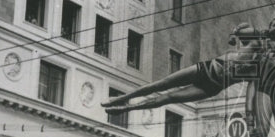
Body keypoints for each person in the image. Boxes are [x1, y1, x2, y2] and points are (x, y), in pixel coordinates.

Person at [103, 23, 262, 112]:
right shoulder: (255, 43)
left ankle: (125, 108)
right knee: (162, 83)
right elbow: (241, 30)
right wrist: (235, 34)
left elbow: (253, 93)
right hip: (206, 69)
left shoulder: (259, 72)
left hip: (212, 87)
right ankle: (121, 98)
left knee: (169, 98)